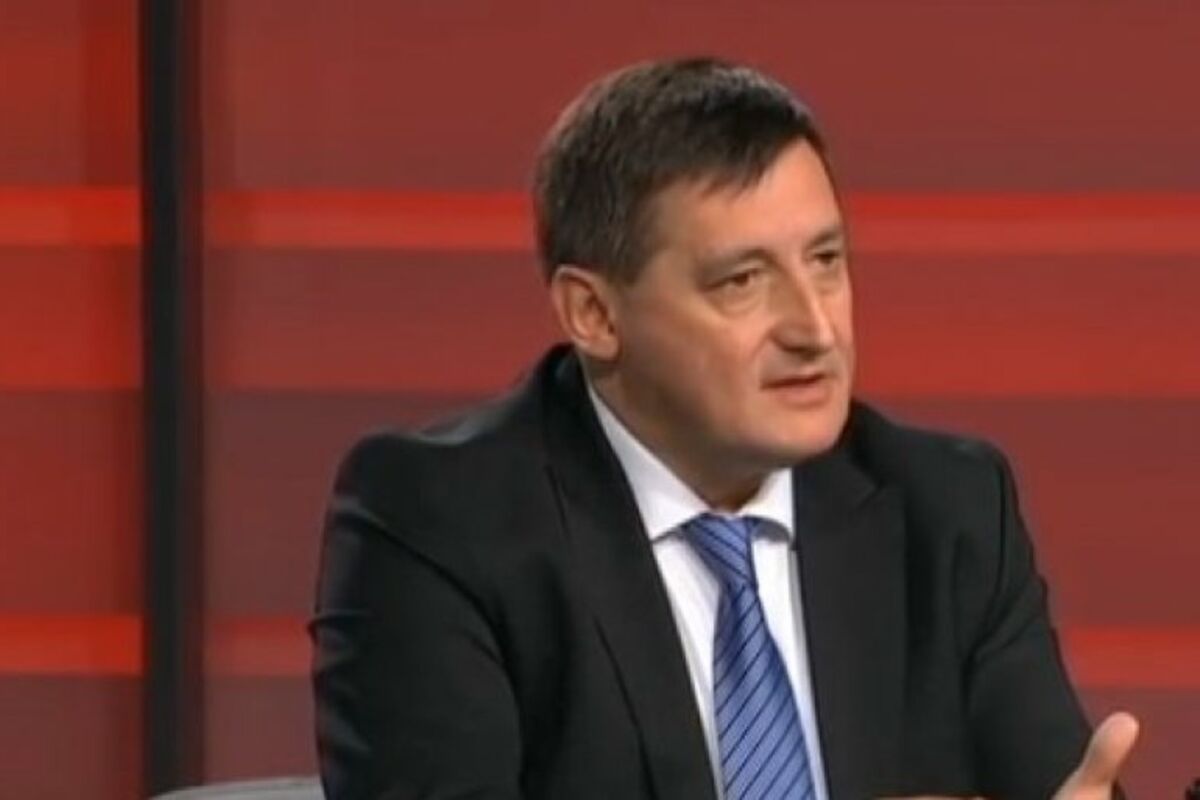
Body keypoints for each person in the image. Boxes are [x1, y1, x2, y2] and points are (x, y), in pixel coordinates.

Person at [311, 57, 1137, 800]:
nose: (815, 328)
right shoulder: (439, 523)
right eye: (742, 280)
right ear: (594, 314)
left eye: (826, 262)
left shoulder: (949, 509)